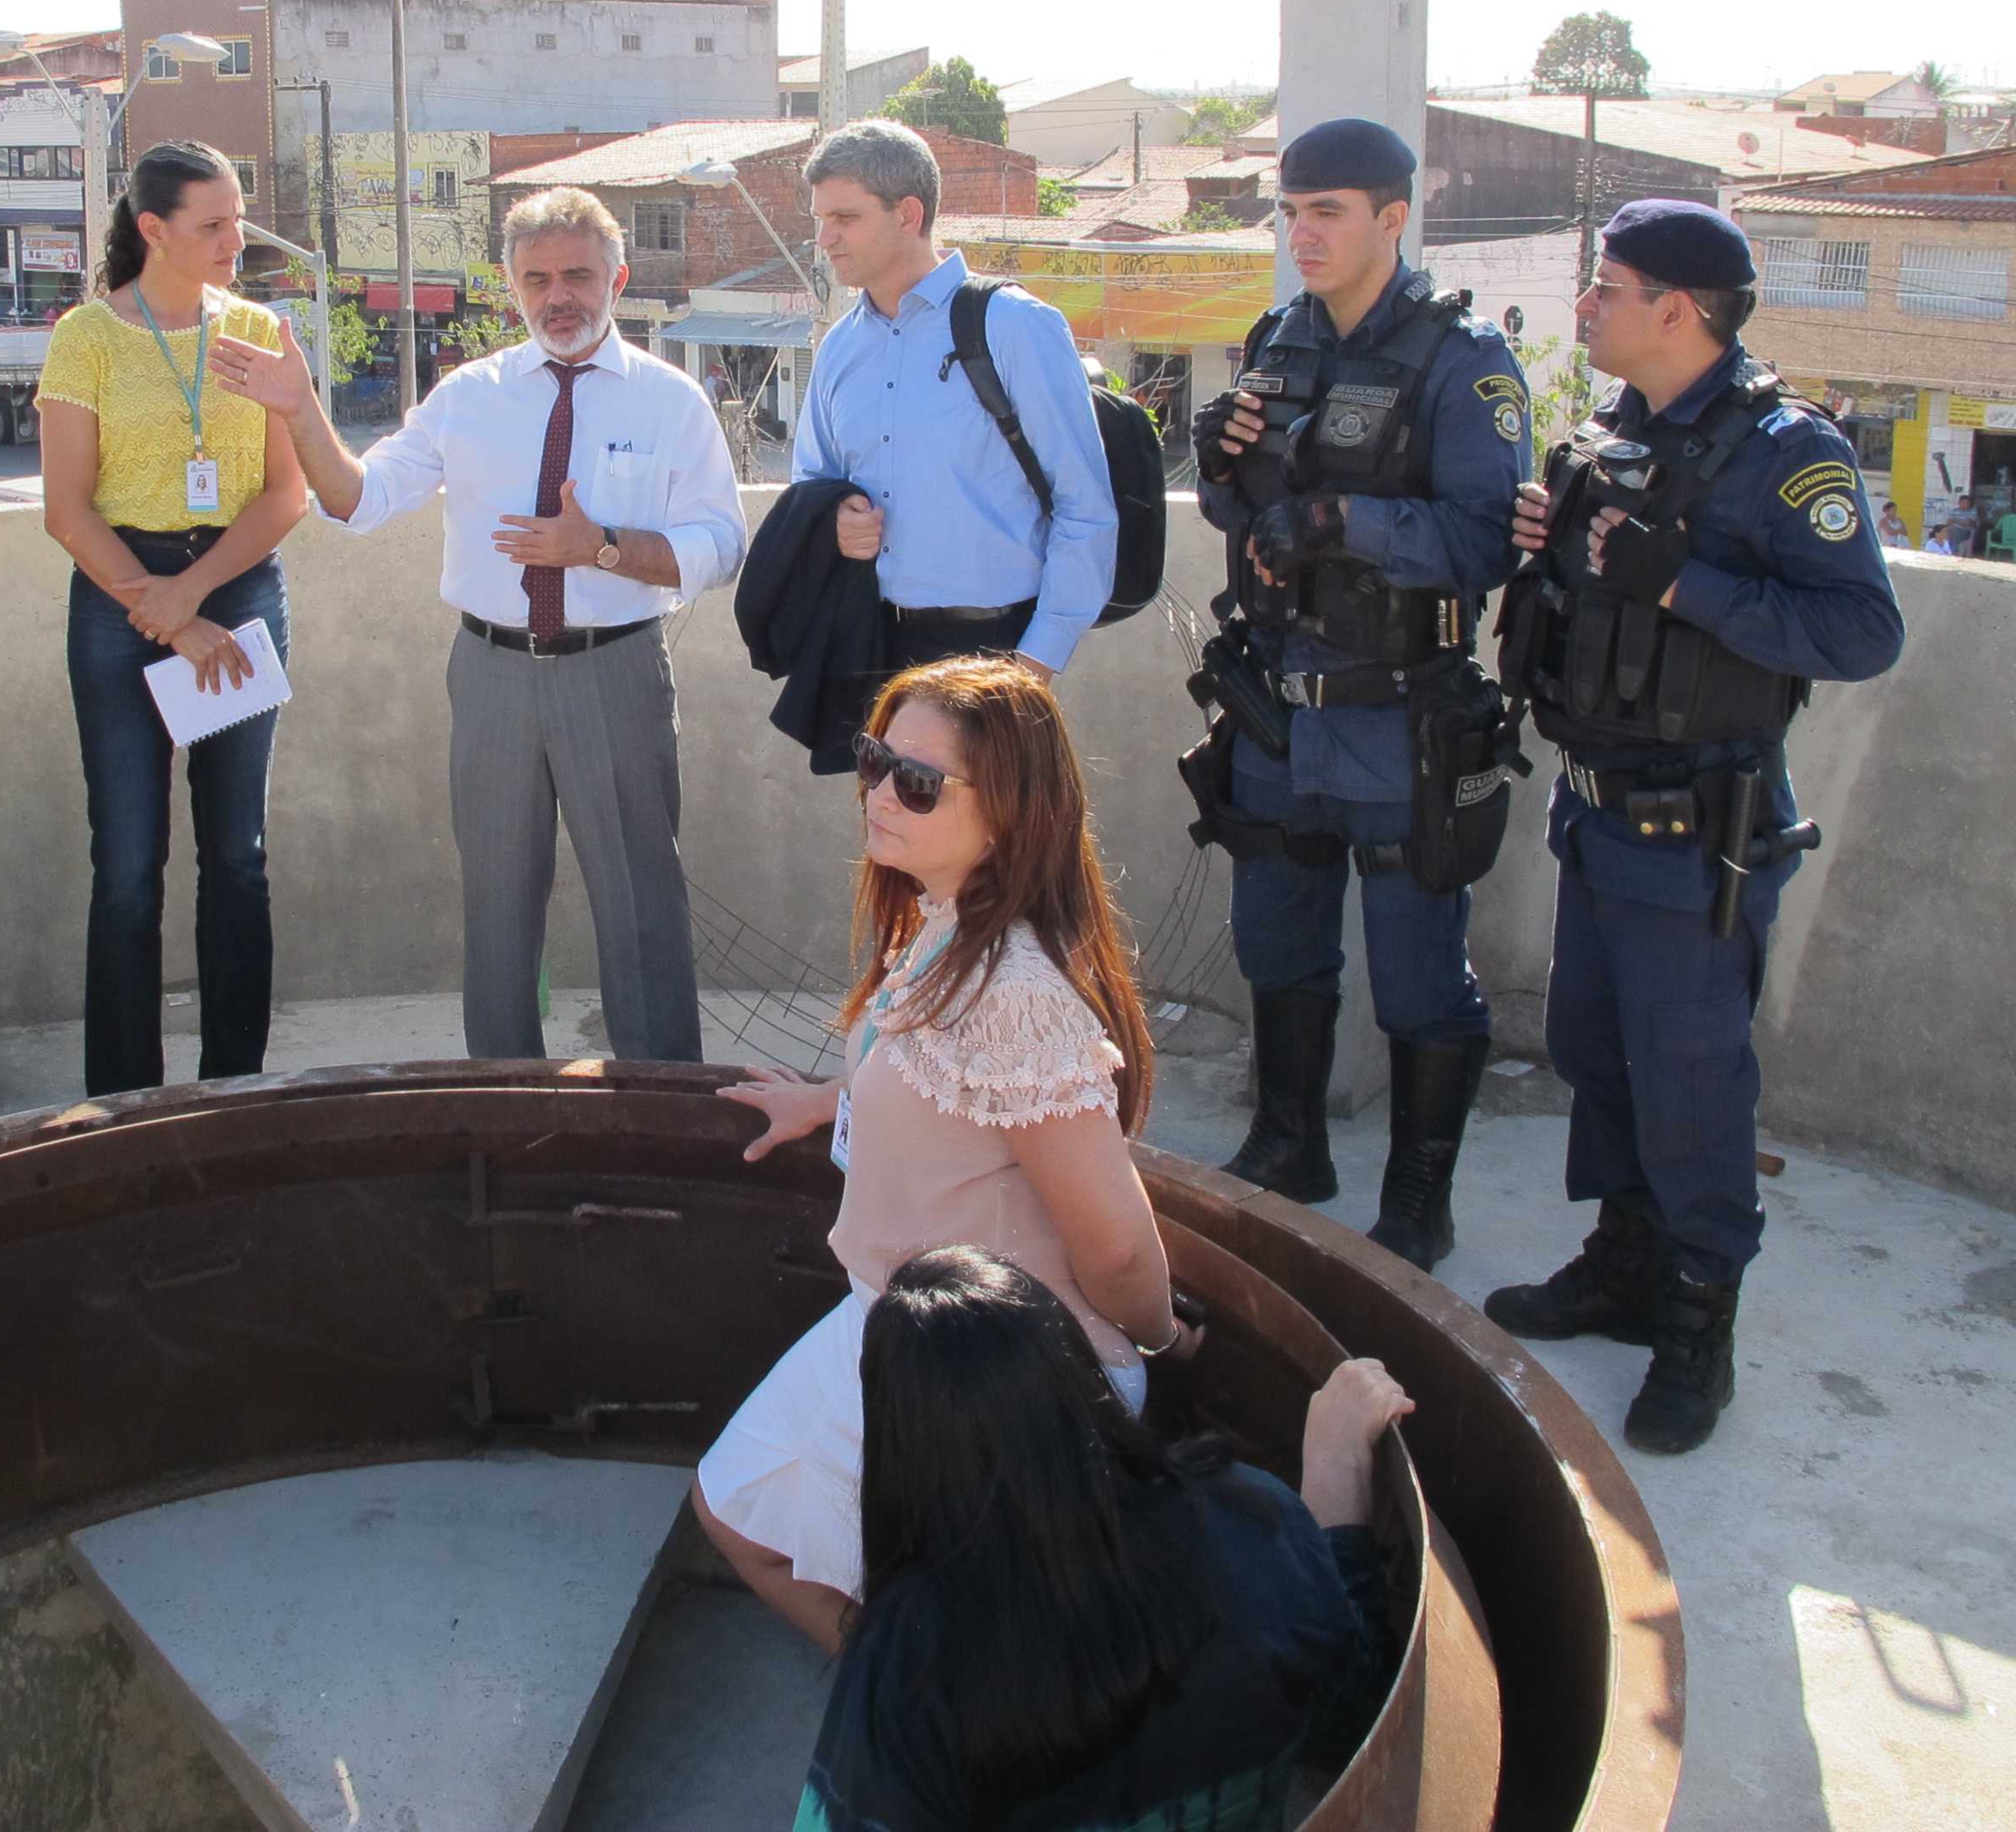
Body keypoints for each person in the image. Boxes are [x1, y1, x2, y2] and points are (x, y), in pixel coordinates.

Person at [1487, 199, 1903, 1455]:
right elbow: (1594, 598)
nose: (1587, 307)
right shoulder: (1617, 429)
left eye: (1607, 287)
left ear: (1679, 307)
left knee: (1692, 1084)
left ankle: (1697, 1323)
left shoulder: (1789, 452)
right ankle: (1625, 1263)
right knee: (1597, 1050)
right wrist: (1550, 548)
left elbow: (1860, 632)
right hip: (1595, 810)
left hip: (1697, 832)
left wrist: (1678, 579)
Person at [695, 655, 1188, 1646]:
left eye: (915, 782)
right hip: (911, 1333)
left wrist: (1169, 1345)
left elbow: (1121, 1252)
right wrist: (839, 1101)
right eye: (874, 760)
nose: (878, 793)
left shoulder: (1012, 994)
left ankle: (915, 1715)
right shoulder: (945, 926)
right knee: (748, 1515)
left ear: (1008, 813)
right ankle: (917, 1705)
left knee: (742, 1516)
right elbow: (943, 1084)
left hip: (995, 1377)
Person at [211, 185, 745, 1062]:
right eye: (536, 280)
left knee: (641, 908)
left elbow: (720, 544)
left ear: (616, 278)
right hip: (490, 675)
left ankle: (659, 1117)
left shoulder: (668, 401)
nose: (557, 297)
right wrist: (299, 410)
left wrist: (600, 547)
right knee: (495, 911)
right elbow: (359, 499)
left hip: (613, 672)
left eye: (577, 275)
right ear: (510, 287)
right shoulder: (469, 396)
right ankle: (503, 1118)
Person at [1183, 118, 1525, 1272]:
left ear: (1394, 217)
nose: (1303, 232)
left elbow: (1487, 541)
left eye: (1327, 211)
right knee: (1278, 943)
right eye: (1290, 211)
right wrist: (1222, 467)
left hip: (1397, 713)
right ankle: (1289, 1147)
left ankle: (1419, 1202)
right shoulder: (1278, 341)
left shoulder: (1462, 361)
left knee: (1422, 970)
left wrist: (1342, 520)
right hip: (1281, 706)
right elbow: (1237, 511)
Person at [797, 1247, 1402, 1832]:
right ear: (1074, 1371)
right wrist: (1336, 1465)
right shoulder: (1249, 1521)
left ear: (899, 1445)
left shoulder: (906, 1664)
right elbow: (1352, 1707)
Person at [33, 143, 308, 1098]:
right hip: (122, 597)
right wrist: (161, 609)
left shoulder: (262, 332)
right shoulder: (86, 338)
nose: (237, 240)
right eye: (213, 225)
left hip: (232, 586)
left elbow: (285, 494)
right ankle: (123, 1096)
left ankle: (233, 1082)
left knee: (237, 856)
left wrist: (196, 598)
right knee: (127, 866)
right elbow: (66, 509)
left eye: (238, 218)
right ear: (152, 231)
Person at [792, 119, 1118, 703]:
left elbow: (1085, 509)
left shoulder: (1017, 327)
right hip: (870, 647)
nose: (825, 239)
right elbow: (810, 483)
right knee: (887, 800)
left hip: (995, 651)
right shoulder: (839, 347)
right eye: (820, 219)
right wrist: (835, 517)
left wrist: (1032, 664)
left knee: (988, 800)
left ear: (907, 214)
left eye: (845, 218)